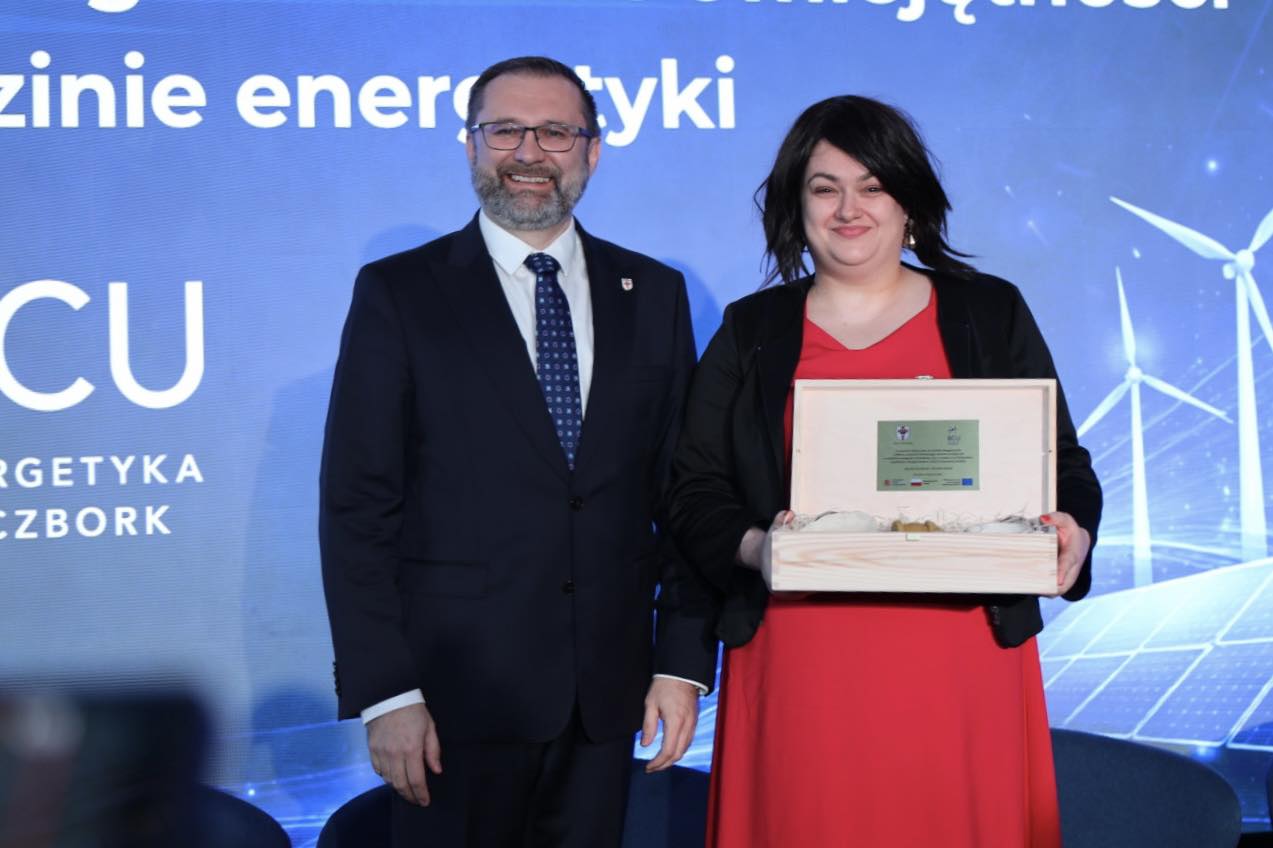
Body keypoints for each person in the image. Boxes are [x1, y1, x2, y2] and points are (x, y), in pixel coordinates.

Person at [667, 95, 1102, 847]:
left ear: (909, 203)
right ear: (795, 206)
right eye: (824, 188)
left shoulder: (988, 312)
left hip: (962, 660)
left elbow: (1062, 464)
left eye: (872, 186)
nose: (849, 209)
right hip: (800, 660)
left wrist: (1075, 529)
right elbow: (693, 489)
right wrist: (758, 549)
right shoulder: (751, 329)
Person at [319, 56, 717, 847]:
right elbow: (358, 506)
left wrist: (680, 663)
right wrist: (386, 693)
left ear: (592, 150)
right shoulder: (400, 292)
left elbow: (682, 494)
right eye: (504, 130)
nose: (529, 153)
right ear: (470, 145)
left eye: (555, 132)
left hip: (605, 702)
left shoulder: (654, 294)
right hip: (449, 705)